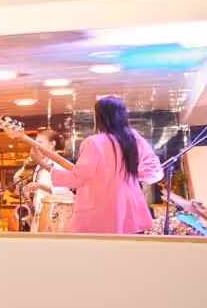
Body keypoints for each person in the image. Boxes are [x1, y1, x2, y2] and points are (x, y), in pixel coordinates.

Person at [32, 96, 163, 234]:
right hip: (130, 213)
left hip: (98, 215)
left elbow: (77, 179)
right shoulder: (134, 139)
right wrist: (126, 173)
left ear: (99, 117)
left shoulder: (94, 143)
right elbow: (154, 173)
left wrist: (42, 163)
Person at [20, 129, 73, 231]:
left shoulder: (59, 164)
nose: (36, 146)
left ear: (52, 144)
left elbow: (64, 192)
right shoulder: (41, 163)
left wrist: (39, 186)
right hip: (40, 214)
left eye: (40, 142)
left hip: (53, 217)